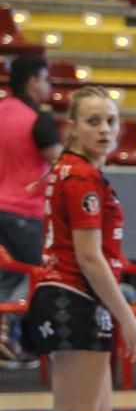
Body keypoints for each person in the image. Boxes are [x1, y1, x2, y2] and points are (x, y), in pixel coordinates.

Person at [0, 86, 136, 411]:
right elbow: (88, 256)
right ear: (73, 126)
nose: (105, 129)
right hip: (72, 299)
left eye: (112, 121)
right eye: (95, 121)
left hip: (72, 298)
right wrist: (127, 316)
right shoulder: (80, 176)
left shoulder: (77, 172)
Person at [0, 56, 61, 366]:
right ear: (32, 82)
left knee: (7, 278)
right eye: (45, 80)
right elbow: (64, 169)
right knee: (46, 275)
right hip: (24, 213)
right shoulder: (39, 120)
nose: (49, 87)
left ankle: (12, 339)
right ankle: (13, 335)